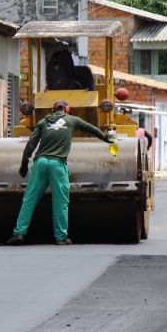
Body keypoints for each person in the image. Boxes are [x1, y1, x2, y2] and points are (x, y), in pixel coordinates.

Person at [7, 100, 115, 246]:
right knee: (60, 201)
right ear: (67, 110)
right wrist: (106, 138)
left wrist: (24, 163)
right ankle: (60, 237)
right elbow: (92, 129)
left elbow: (31, 143)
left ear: (53, 110)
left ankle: (19, 233)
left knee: (29, 200)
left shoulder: (43, 122)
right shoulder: (72, 120)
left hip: (40, 163)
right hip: (57, 164)